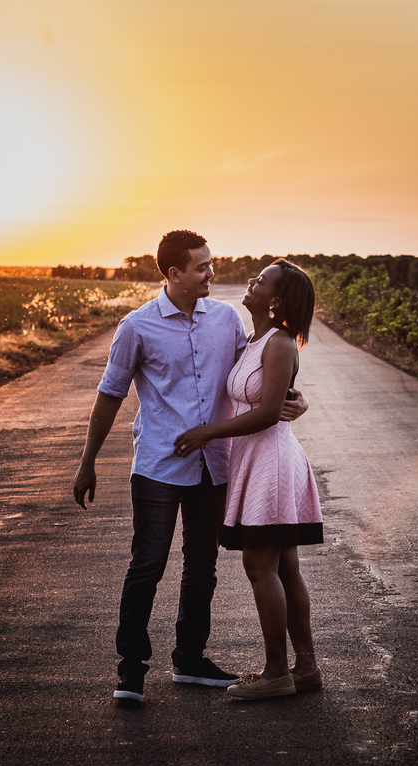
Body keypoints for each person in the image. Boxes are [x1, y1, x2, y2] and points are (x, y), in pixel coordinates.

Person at [72, 231, 307, 707]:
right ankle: (131, 669)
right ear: (174, 274)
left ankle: (191, 659)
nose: (212, 274)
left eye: (211, 264)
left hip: (214, 465)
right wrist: (87, 461)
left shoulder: (226, 319)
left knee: (202, 568)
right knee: (147, 565)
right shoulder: (136, 327)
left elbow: (255, 373)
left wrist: (291, 398)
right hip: (159, 463)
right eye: (202, 267)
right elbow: (110, 395)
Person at [173, 259, 323, 700]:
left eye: (260, 281)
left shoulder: (279, 343)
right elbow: (274, 398)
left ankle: (277, 671)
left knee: (260, 566)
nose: (251, 283)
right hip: (257, 459)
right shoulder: (253, 340)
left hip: (271, 460)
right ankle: (306, 666)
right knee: (284, 566)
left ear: (275, 300)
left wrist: (207, 432)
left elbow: (264, 412)